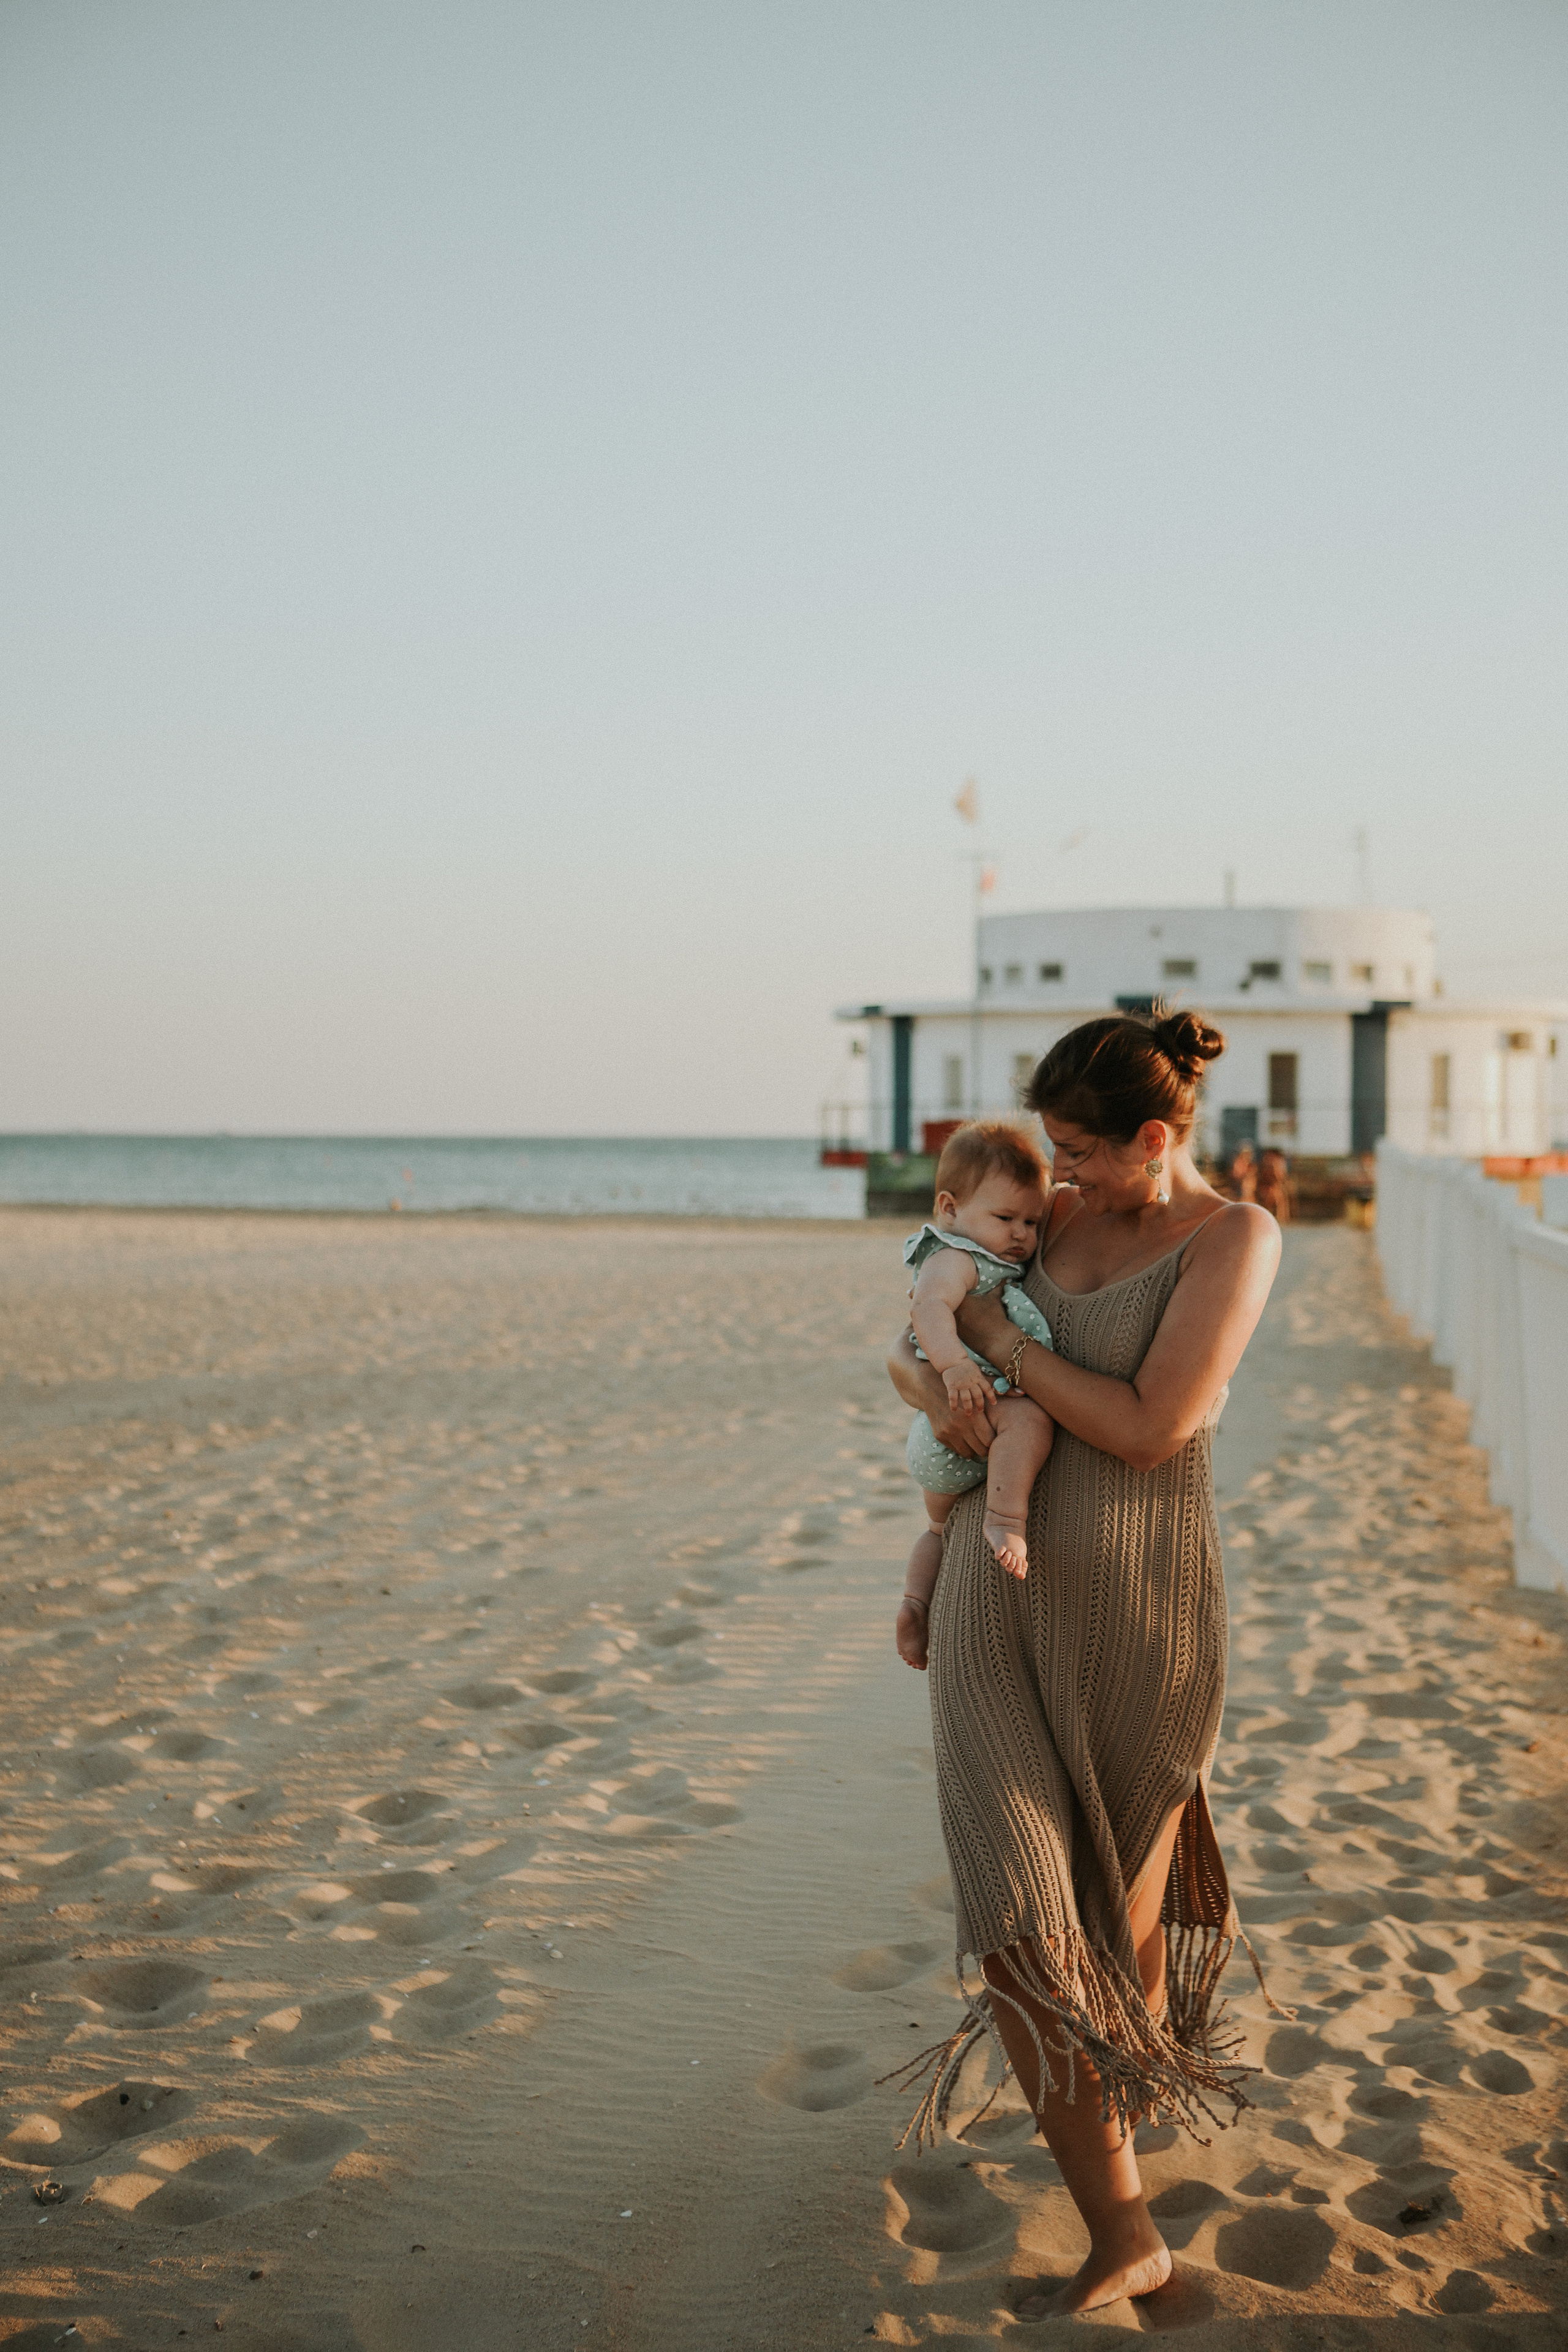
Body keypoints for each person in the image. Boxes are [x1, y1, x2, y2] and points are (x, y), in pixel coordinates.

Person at [885, 1004, 1281, 2321]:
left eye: (1081, 1153)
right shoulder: (1040, 1223)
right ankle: (1123, 2234)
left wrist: (1005, 1353)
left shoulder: (1232, 1239)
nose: (1056, 1180)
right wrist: (939, 1495)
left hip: (1141, 1614)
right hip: (997, 1601)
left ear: (1154, 1138)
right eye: (1047, 1153)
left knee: (1114, 1941)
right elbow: (914, 1354)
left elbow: (1147, 1429)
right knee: (1018, 1931)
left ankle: (1127, 2110)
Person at [895, 1123, 1056, 1674]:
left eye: (1032, 1222)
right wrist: (955, 1365)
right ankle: (1005, 1517)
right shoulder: (957, 1256)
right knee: (1029, 1421)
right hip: (958, 1415)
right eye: (1005, 1218)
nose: (1020, 1235)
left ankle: (915, 1603)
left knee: (936, 1530)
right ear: (950, 1208)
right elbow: (928, 1309)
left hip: (940, 1445)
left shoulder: (990, 1254)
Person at [1256, 1145, 1293, 1224]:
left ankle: (1282, 1220)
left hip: (1276, 1186)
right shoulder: (1266, 1162)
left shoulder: (1279, 1162)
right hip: (1265, 1187)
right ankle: (1266, 1219)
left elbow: (1281, 1177)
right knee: (1270, 1196)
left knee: (1279, 1197)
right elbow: (1261, 1177)